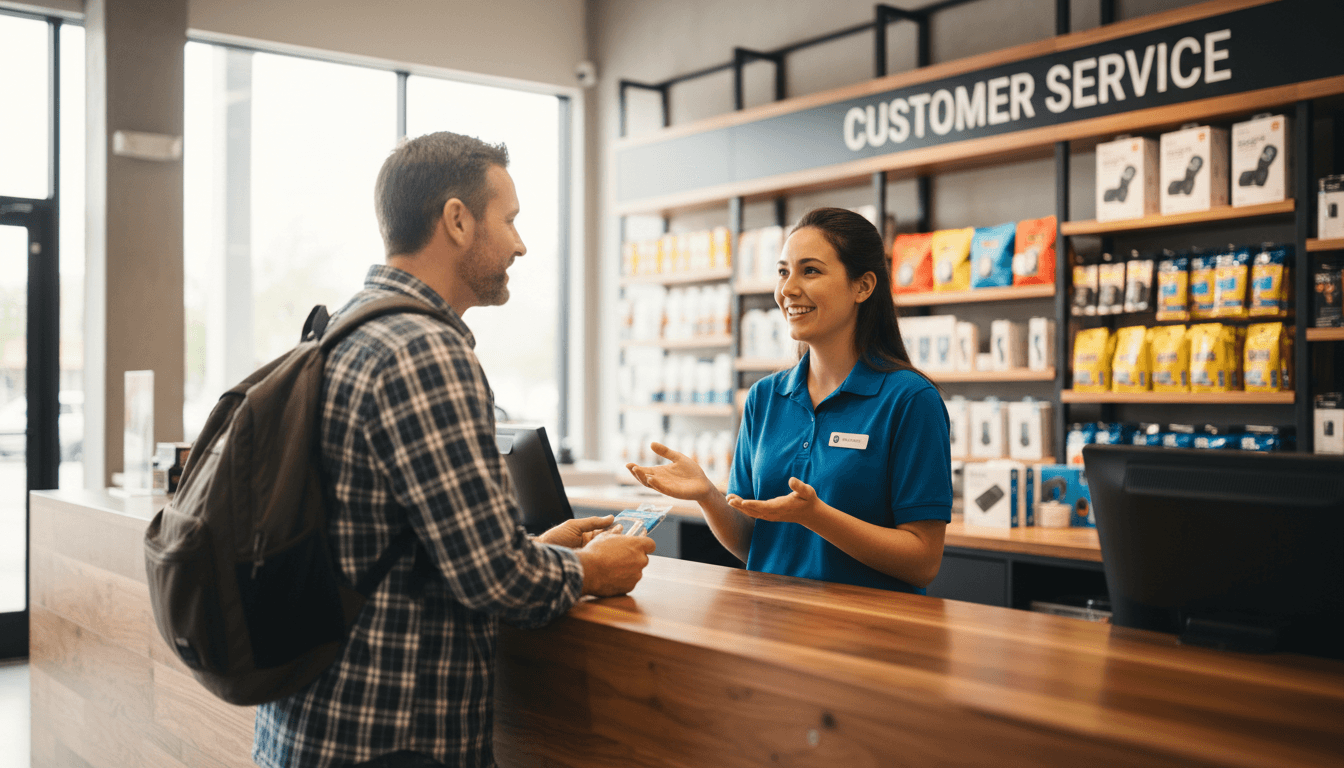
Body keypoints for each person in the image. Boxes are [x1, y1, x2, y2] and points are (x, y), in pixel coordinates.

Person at [253, 131, 655, 768]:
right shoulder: (426, 352)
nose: (521, 244)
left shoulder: (347, 327)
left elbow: (399, 545)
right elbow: (496, 581)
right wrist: (594, 570)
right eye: (512, 220)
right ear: (458, 220)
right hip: (390, 738)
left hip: (314, 722)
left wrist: (536, 550)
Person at [626, 207, 951, 594]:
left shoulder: (910, 400)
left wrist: (817, 517)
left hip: (866, 636)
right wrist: (708, 496)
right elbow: (754, 543)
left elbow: (924, 561)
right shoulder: (764, 397)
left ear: (863, 286)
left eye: (810, 271)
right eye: (783, 272)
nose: (788, 289)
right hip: (770, 625)